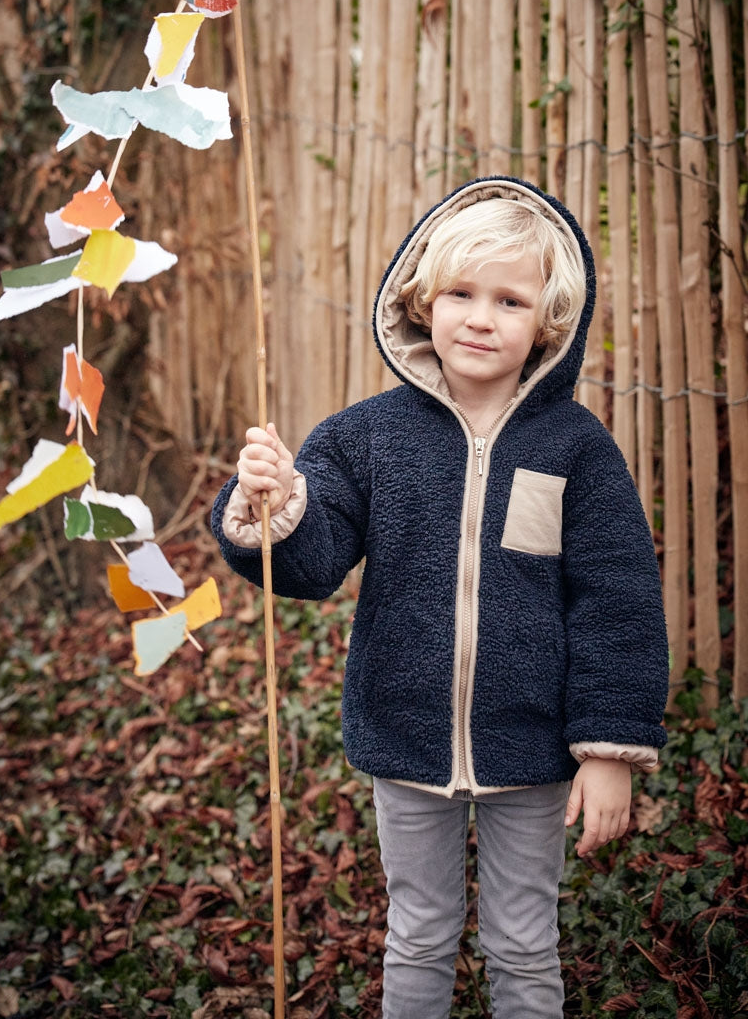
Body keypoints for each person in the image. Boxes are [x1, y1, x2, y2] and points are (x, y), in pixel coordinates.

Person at [211, 176, 669, 1019]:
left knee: (524, 942)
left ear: (549, 325)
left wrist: (608, 749)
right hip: (407, 736)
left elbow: (618, 602)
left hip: (530, 751)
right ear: (422, 301)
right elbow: (312, 565)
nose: (480, 316)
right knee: (418, 930)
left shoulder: (576, 449)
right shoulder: (367, 437)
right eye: (460, 292)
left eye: (509, 299)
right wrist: (273, 506)